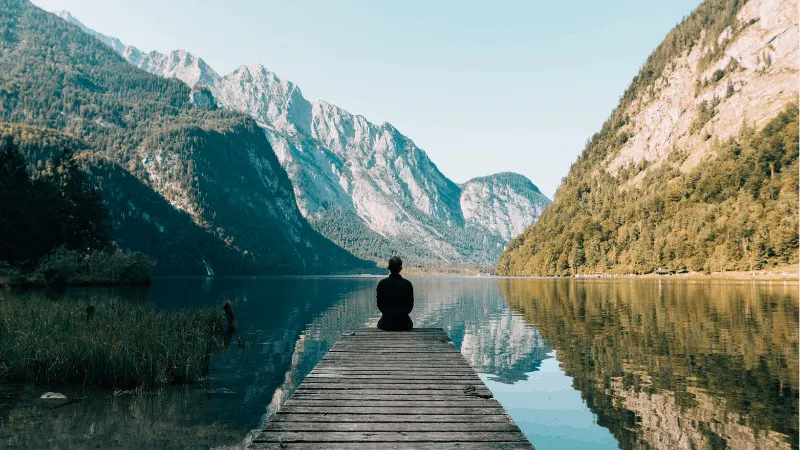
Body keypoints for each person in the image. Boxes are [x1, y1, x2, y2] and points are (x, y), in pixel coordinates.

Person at [376, 256, 414, 331]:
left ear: (389, 268)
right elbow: (410, 306)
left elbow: (380, 305)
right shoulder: (407, 284)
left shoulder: (382, 284)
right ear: (400, 268)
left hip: (386, 324)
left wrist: (389, 314)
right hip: (404, 324)